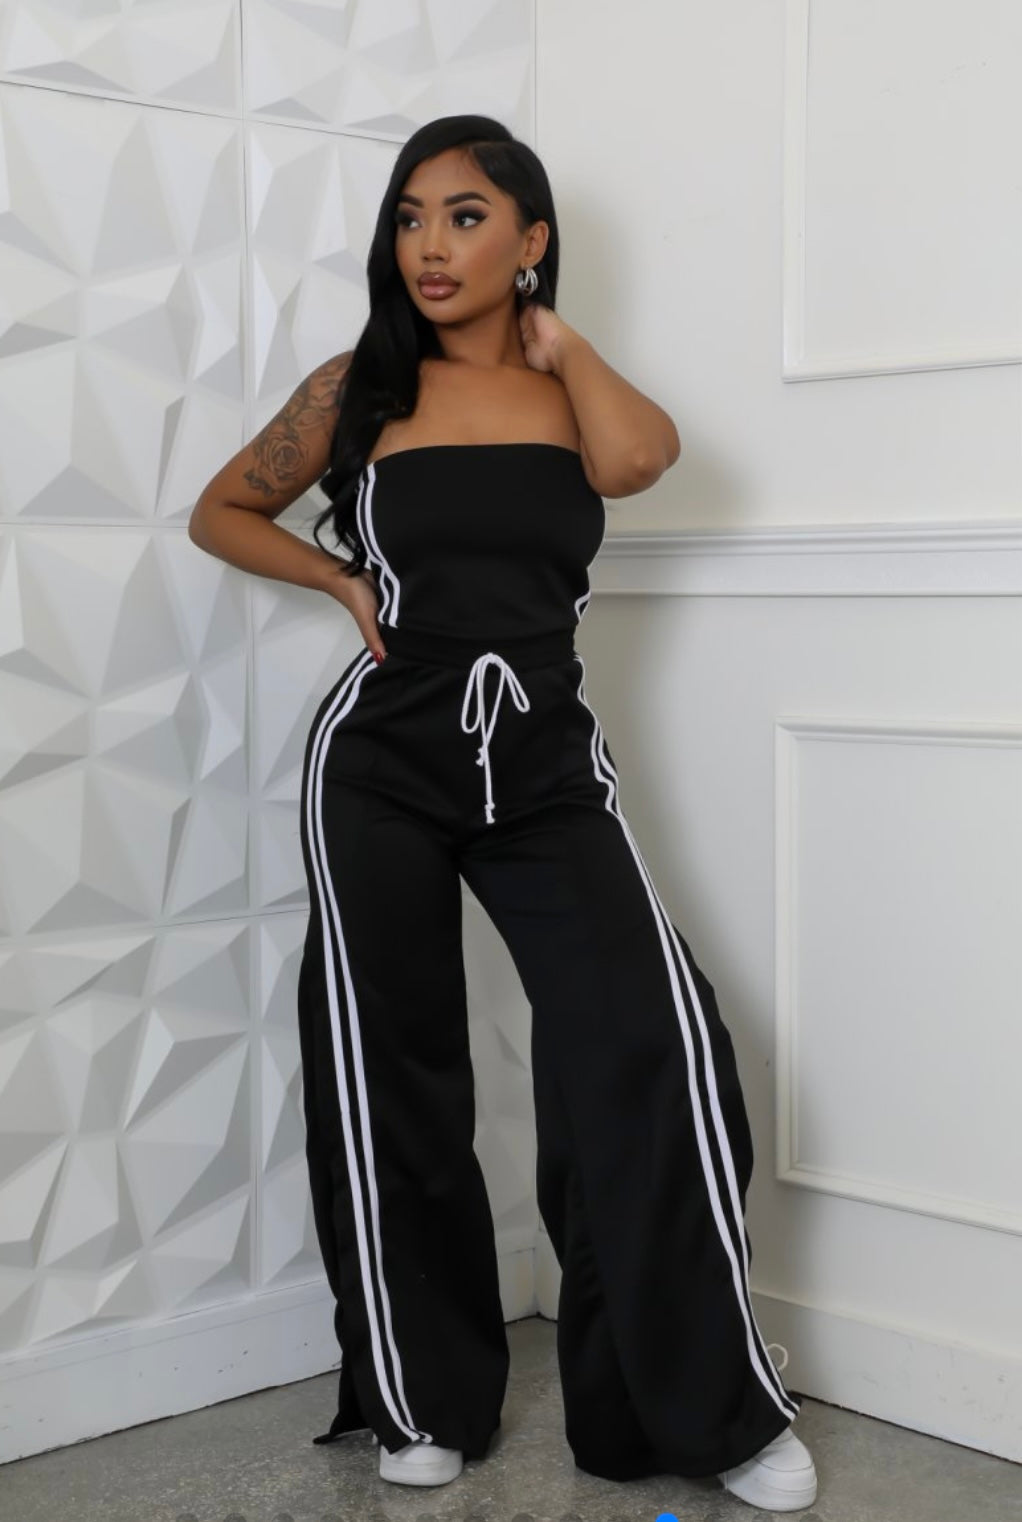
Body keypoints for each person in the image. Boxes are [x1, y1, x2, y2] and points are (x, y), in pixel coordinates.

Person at [188, 113, 817, 1514]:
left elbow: (639, 460)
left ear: (530, 239)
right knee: (392, 1068)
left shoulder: (566, 390)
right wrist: (339, 581)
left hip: (543, 773)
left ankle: (704, 1406)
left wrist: (565, 344)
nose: (430, 245)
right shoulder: (355, 388)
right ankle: (421, 1398)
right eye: (410, 216)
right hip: (381, 766)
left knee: (650, 1044)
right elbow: (221, 510)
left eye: (466, 216)